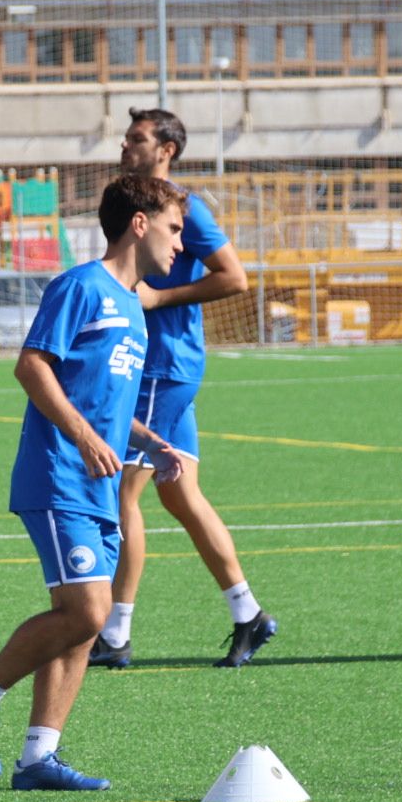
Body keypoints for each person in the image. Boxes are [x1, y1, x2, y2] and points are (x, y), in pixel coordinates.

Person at [0, 174, 185, 791]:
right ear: (139, 223)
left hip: (98, 486)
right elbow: (31, 366)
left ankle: (37, 758)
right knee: (88, 611)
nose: (180, 245)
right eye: (174, 229)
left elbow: (103, 404)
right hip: (60, 478)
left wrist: (150, 442)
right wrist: (82, 437)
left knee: (80, 620)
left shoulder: (133, 307)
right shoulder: (81, 286)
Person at [89, 107, 276, 670]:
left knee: (122, 494)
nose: (126, 145)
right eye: (126, 138)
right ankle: (248, 614)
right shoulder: (142, 206)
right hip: (169, 368)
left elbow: (234, 276)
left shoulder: (177, 209)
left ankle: (115, 633)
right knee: (180, 494)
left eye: (138, 138)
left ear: (167, 148)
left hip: (160, 367)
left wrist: (157, 300)